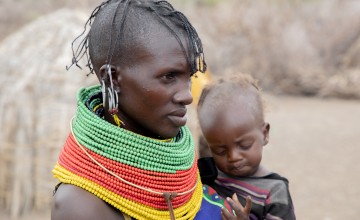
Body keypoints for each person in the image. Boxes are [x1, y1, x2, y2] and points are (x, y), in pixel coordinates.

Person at [51, 0, 248, 219]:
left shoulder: (192, 171)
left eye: (189, 77)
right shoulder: (81, 206)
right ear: (113, 78)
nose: (186, 95)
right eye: (169, 76)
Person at [197, 73, 296, 219]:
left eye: (244, 145)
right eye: (220, 150)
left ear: (265, 134)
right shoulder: (207, 175)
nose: (233, 157)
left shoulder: (274, 191)